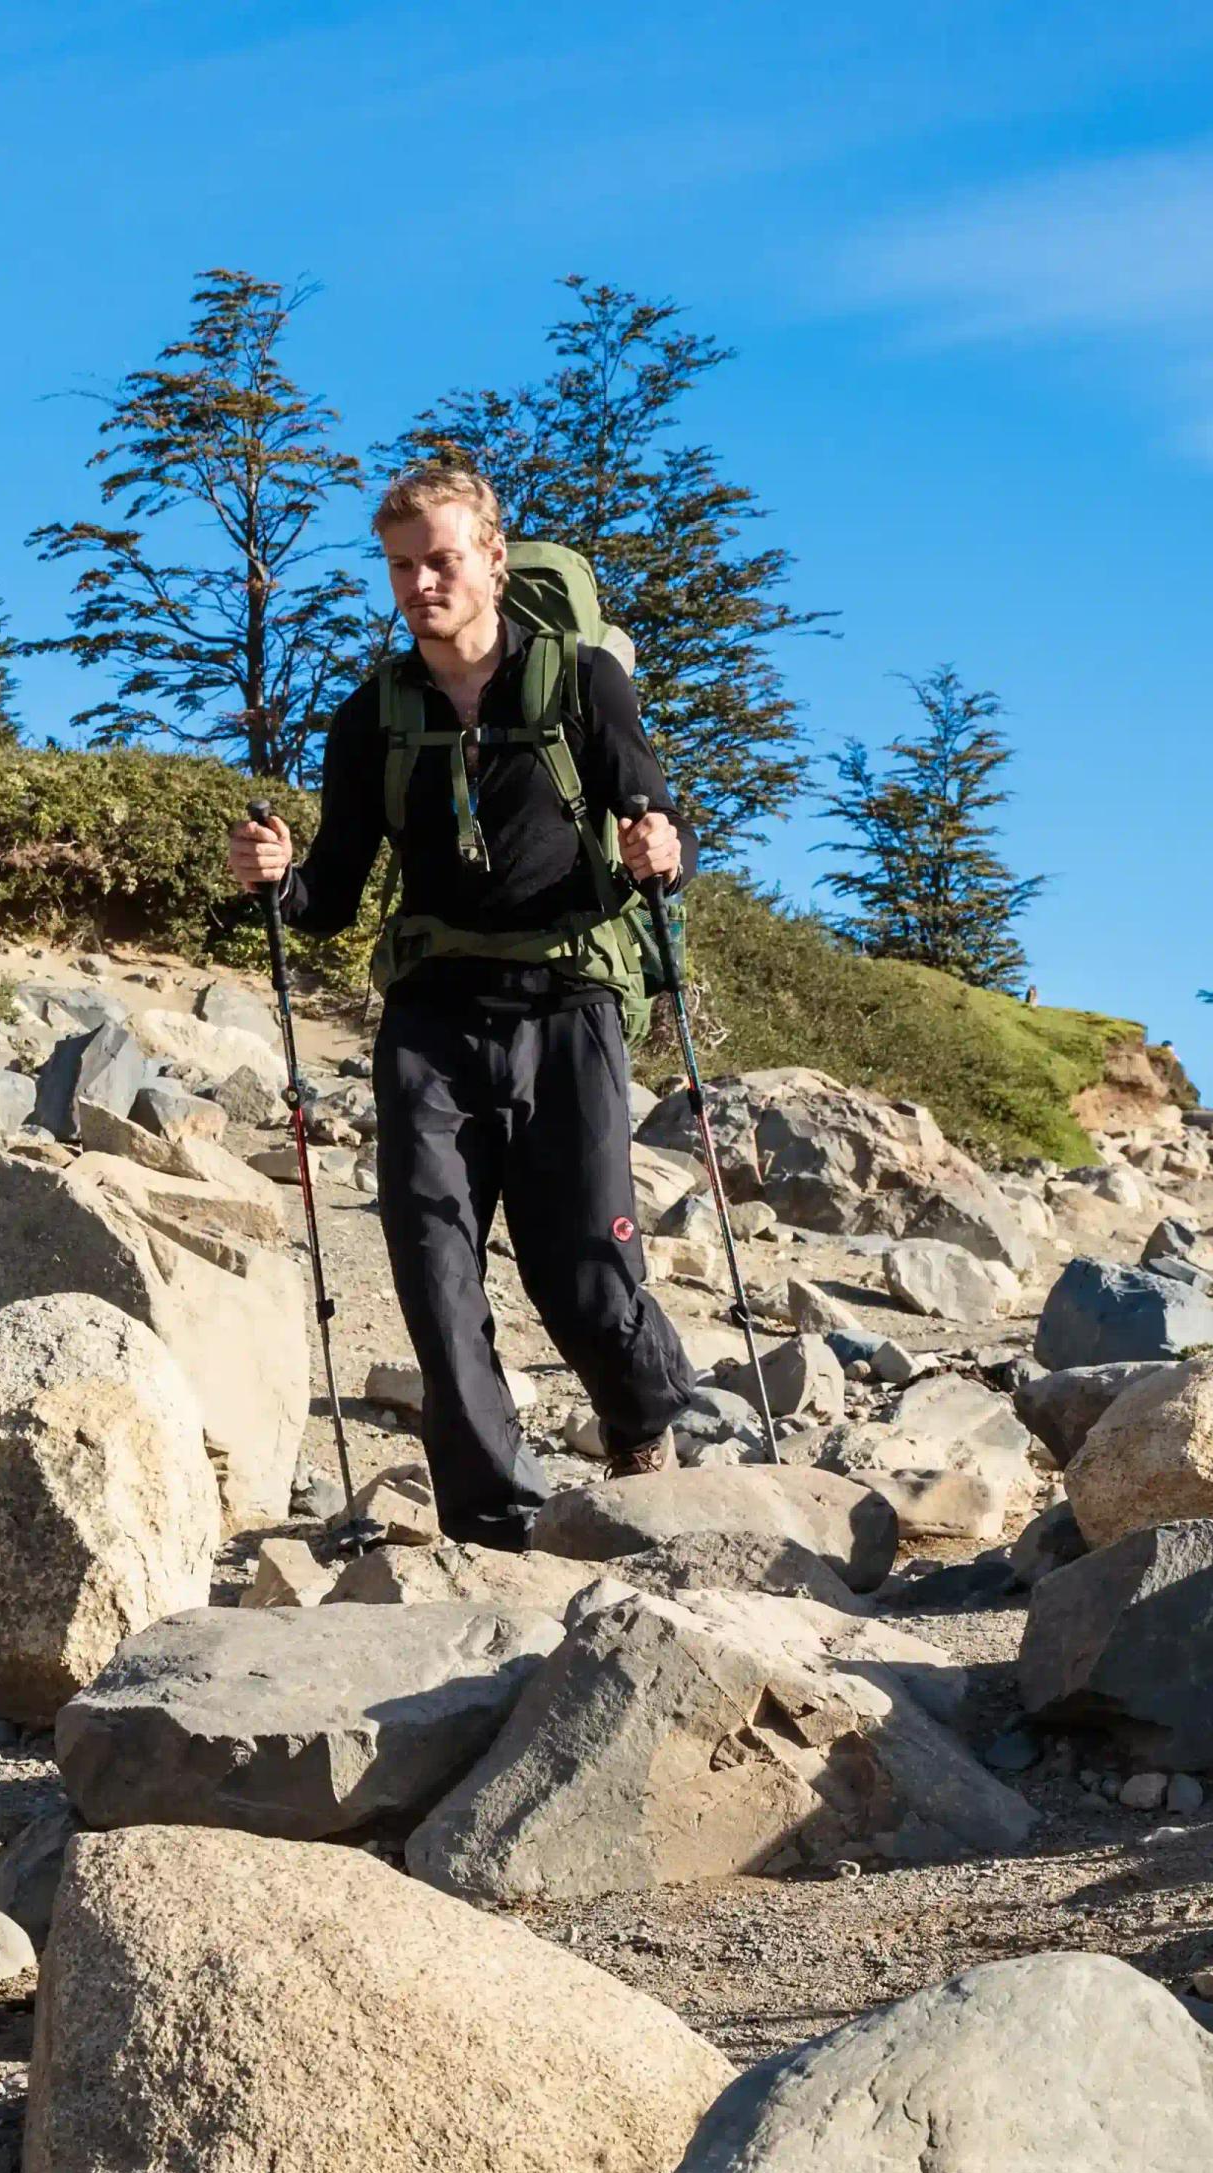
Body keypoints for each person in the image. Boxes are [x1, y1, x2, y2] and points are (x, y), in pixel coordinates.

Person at [229, 461, 695, 1549]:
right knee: (436, 1271)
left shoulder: (583, 684)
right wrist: (276, 879)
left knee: (582, 1268)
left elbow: (654, 829)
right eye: (401, 566)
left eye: (440, 560)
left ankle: (644, 1417)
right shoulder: (372, 718)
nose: (420, 583)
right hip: (432, 1018)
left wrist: (660, 847)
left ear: (492, 554)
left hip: (570, 1001)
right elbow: (331, 900)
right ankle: (492, 1523)